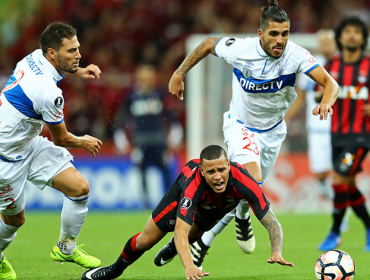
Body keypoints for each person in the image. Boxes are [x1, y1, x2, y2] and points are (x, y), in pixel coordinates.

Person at [167, 0, 339, 269]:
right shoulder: (242, 49)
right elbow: (208, 44)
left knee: (250, 190)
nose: (280, 39)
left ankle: (215, 234)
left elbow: (331, 83)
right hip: (240, 126)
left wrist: (327, 101)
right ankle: (217, 232)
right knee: (252, 179)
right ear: (261, 34)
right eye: (274, 33)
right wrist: (179, 73)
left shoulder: (296, 55)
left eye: (284, 33)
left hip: (273, 133)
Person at [81, 145, 294, 280]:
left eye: (221, 169)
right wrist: (189, 266)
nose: (218, 176)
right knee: (146, 241)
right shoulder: (193, 187)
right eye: (211, 172)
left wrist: (277, 251)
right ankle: (115, 269)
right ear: (202, 171)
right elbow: (180, 230)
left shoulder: (245, 182)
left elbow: (271, 221)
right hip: (178, 200)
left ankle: (174, 249)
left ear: (229, 165)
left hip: (214, 208)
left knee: (195, 235)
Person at [0, 22, 103, 279]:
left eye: (77, 48)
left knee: (79, 188)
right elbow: (61, 139)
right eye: (71, 51)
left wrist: (78, 72)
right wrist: (84, 142)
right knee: (15, 221)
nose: (78, 55)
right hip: (5, 158)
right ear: (52, 53)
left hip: (28, 144)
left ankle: (65, 249)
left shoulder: (33, 57)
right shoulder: (49, 93)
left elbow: (57, 70)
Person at [318, 16, 370, 252]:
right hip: (336, 134)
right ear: (339, 36)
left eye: (357, 32)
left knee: (338, 179)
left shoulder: (369, 64)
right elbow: (322, 92)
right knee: (347, 185)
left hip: (360, 135)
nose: (351, 35)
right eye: (347, 31)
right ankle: (369, 228)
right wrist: (322, 98)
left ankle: (335, 232)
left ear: (363, 37)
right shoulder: (331, 66)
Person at [113, 64, 183, 208]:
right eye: (144, 78)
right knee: (142, 173)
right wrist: (123, 142)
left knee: (166, 172)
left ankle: (171, 202)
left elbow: (172, 119)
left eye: (149, 78)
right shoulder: (131, 97)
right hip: (140, 143)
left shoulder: (161, 95)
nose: (146, 81)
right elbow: (122, 121)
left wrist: (173, 140)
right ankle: (145, 204)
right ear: (138, 78)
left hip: (159, 142)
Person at [285, 29, 337, 199]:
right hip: (317, 127)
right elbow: (300, 97)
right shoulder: (311, 66)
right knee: (320, 172)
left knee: (340, 171)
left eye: (329, 43)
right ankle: (329, 193)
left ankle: (340, 208)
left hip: (340, 126)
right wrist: (286, 118)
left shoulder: (344, 65)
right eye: (323, 43)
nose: (326, 47)